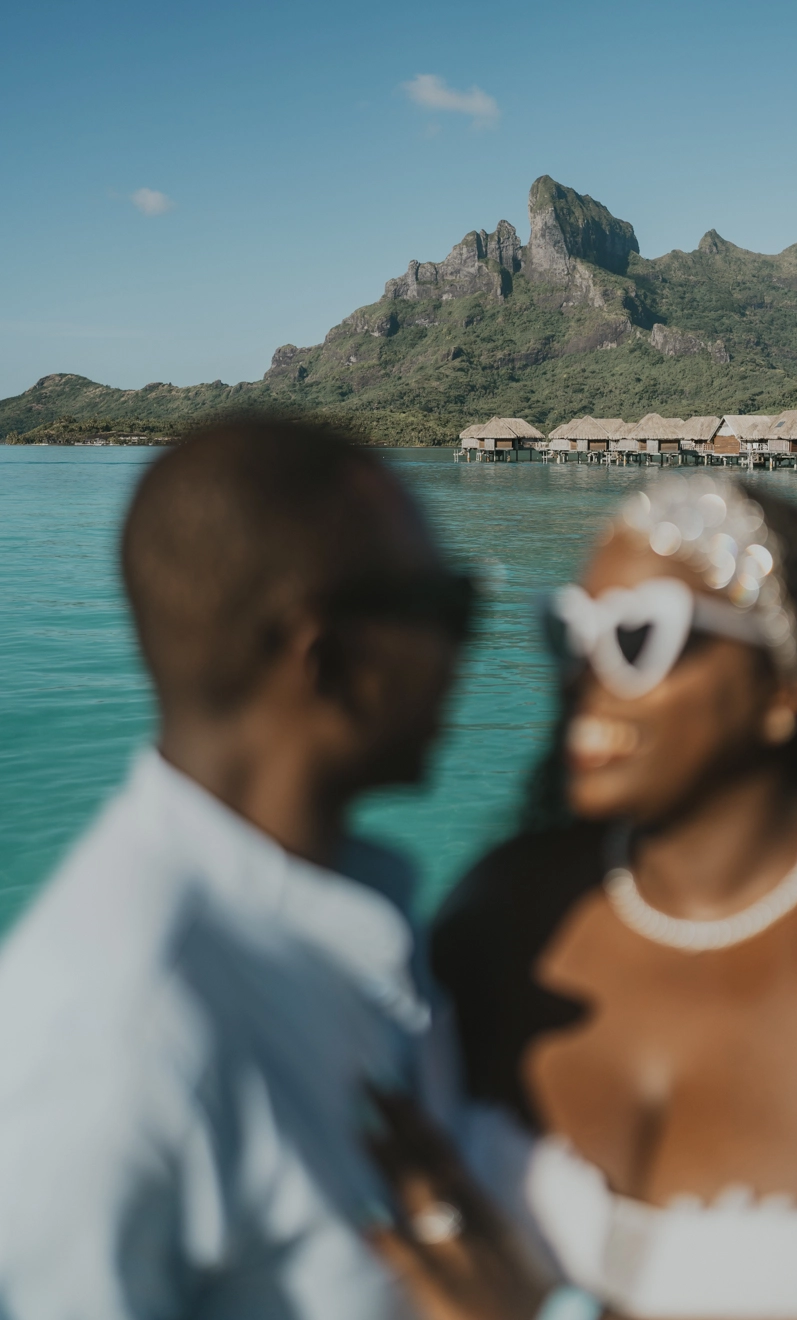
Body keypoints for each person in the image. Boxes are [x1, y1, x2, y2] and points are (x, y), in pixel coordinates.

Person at [370, 471, 797, 1320]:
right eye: (573, 635)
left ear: (784, 684)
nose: (589, 676)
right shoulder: (507, 914)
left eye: (640, 638)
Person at [0, 419, 475, 1319]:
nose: (466, 654)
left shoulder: (337, 920)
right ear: (329, 659)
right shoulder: (118, 1042)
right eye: (450, 610)